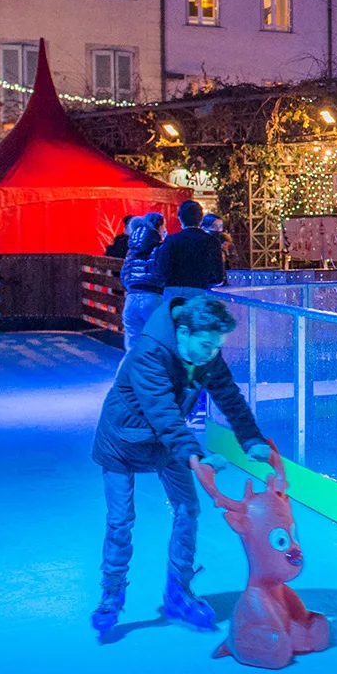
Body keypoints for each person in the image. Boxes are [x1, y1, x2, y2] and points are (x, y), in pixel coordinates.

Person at [90, 292, 269, 634]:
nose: (212, 354)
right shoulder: (148, 354)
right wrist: (196, 456)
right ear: (183, 332)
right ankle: (111, 595)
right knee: (121, 519)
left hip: (165, 442)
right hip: (122, 441)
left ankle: (179, 593)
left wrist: (251, 439)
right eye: (207, 345)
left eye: (217, 347)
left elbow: (229, 396)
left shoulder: (205, 353)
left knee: (188, 509)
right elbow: (164, 413)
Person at [150, 199, 227, 293]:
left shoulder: (171, 240)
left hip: (174, 293)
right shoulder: (212, 241)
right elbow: (218, 277)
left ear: (180, 218)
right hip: (200, 293)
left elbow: (162, 271)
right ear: (201, 219)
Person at [119, 213, 167, 345]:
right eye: (163, 226)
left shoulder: (131, 250)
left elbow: (124, 274)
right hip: (152, 297)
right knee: (156, 343)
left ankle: (131, 366)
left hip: (131, 298)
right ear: (158, 226)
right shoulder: (159, 248)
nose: (164, 230)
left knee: (133, 347)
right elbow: (162, 271)